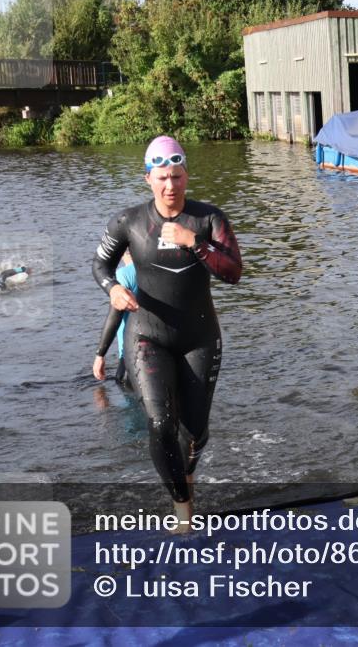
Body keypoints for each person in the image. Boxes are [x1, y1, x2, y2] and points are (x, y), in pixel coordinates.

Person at [92, 136, 242, 531]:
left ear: (187, 176)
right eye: (162, 178)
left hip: (200, 336)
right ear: (148, 179)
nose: (170, 186)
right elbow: (100, 265)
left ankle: (186, 474)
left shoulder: (208, 220)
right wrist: (113, 289)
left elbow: (233, 273)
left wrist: (196, 244)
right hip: (147, 336)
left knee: (194, 433)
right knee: (160, 423)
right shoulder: (128, 222)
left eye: (176, 176)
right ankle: (183, 509)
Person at [93, 251, 136, 387]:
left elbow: (115, 317)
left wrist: (100, 355)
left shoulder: (124, 275)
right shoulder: (162, 270)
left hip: (132, 353)